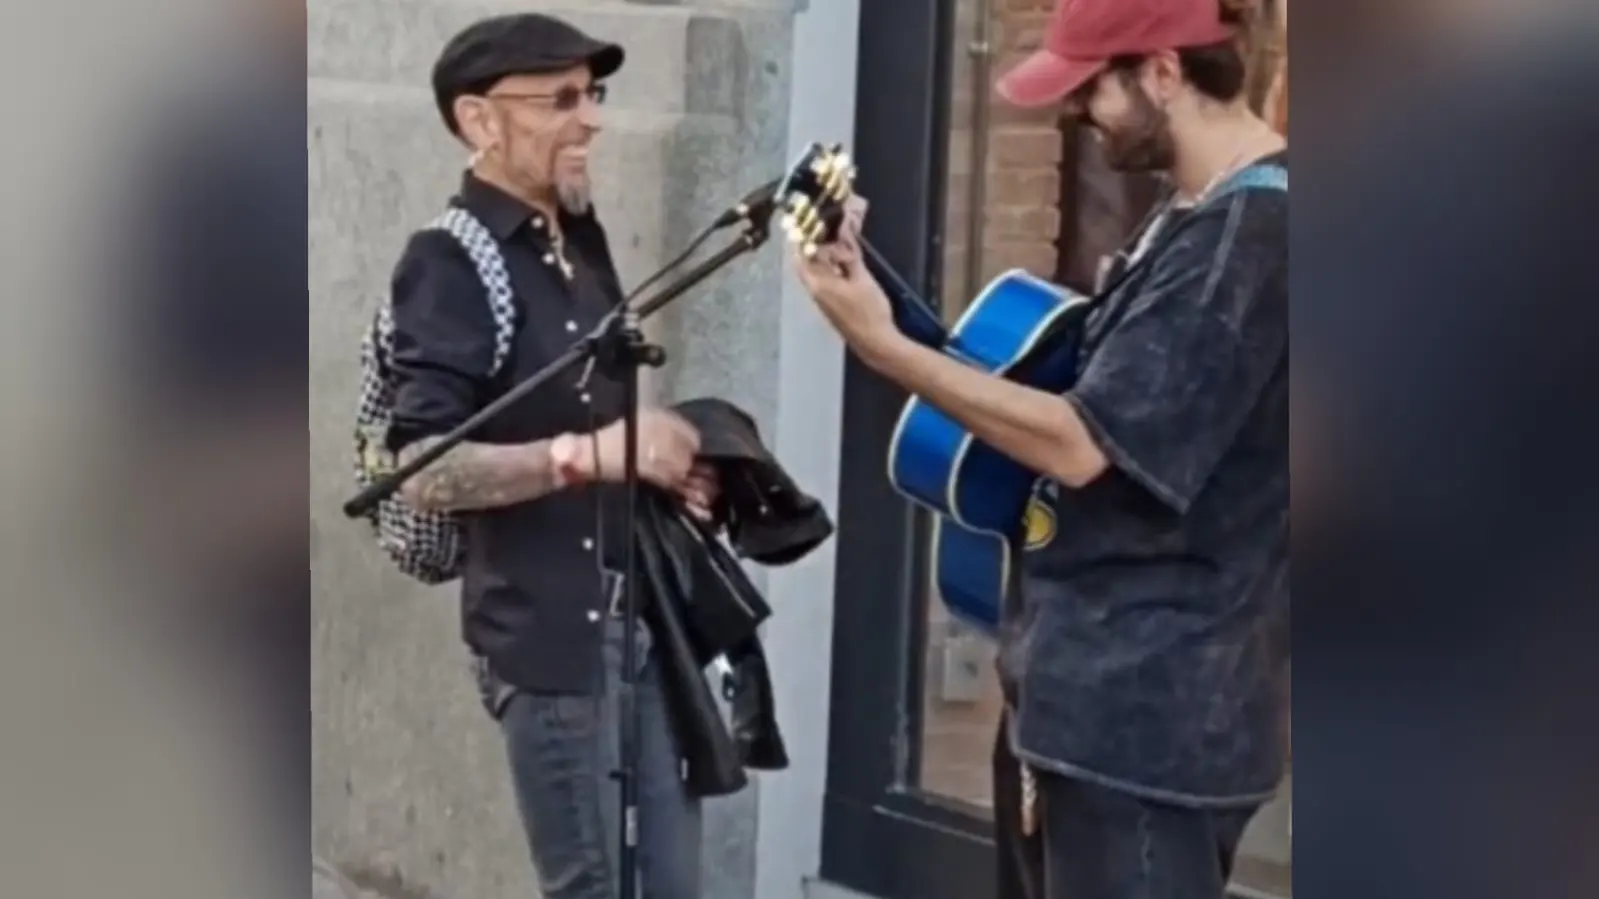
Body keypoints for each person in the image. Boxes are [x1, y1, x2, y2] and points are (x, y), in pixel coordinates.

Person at [791, 0, 1288, 896]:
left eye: (1089, 88)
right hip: (1083, 707)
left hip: (1148, 734)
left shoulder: (1246, 244)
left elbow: (1079, 442)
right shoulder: (1187, 216)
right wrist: (877, 290)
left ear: (1164, 72)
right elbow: (1049, 393)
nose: (1072, 114)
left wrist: (885, 350)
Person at [383, 13, 717, 899]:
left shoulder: (579, 240)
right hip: (551, 645)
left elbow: (601, 421)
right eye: (560, 99)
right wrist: (587, 455)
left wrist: (668, 461)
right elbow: (424, 468)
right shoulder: (449, 262)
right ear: (479, 121)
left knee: (676, 884)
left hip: (641, 619)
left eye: (592, 94)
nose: (591, 119)